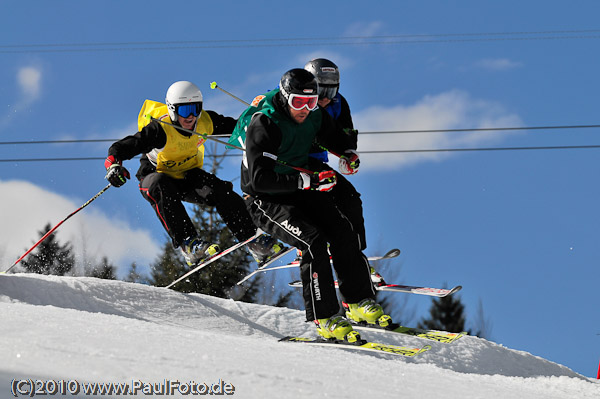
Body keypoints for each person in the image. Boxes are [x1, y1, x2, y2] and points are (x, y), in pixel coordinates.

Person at [237, 69, 392, 343]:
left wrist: (346, 153)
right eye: (299, 103)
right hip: (264, 199)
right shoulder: (266, 122)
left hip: (300, 188)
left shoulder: (314, 115)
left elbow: (332, 135)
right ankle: (325, 317)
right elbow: (259, 180)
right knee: (313, 242)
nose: (305, 110)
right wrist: (305, 181)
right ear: (285, 98)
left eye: (311, 102)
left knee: (343, 230)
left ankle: (357, 301)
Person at [104, 81, 281, 267]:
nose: (190, 116)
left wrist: (259, 118)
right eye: (184, 110)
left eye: (195, 109)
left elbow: (237, 128)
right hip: (156, 178)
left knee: (221, 191)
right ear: (172, 110)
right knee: (159, 183)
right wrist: (114, 164)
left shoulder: (204, 121)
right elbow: (122, 147)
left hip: (187, 176)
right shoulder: (159, 129)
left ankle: (254, 240)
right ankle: (188, 243)